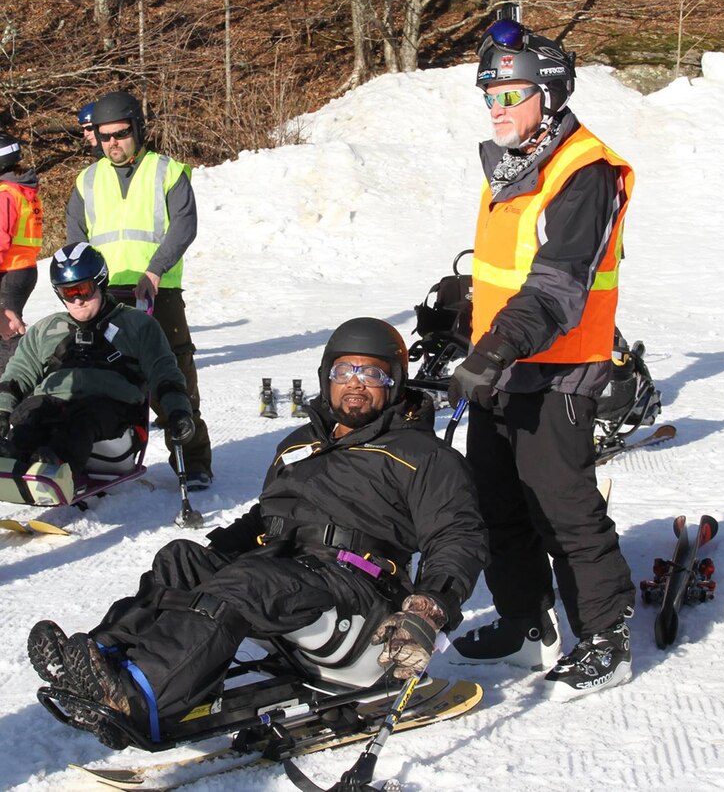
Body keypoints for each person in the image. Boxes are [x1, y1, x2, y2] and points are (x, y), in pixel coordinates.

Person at [27, 317, 488, 749]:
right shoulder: (299, 444)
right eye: (345, 370)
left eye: (373, 373)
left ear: (395, 381)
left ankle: (139, 695)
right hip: (290, 571)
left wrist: (429, 608)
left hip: (357, 591)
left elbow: (459, 536)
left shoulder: (422, 456)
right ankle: (99, 659)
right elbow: (265, 517)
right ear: (327, 375)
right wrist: (209, 560)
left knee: (243, 584)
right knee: (180, 559)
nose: (356, 383)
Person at [446, 19, 636, 701]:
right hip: (501, 365)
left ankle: (606, 638)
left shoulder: (583, 170)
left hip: (558, 367)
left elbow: (556, 283)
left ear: (548, 94)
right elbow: (501, 272)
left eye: (510, 92)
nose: (495, 105)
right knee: (494, 500)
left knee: (562, 507)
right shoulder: (510, 165)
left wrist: (495, 346)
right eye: (488, 92)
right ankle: (526, 620)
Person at [65, 89, 213, 490]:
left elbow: (184, 226)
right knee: (100, 377)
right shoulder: (86, 180)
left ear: (138, 129)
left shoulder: (167, 171)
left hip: (156, 291)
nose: (114, 142)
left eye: (122, 133)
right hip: (104, 295)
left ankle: (194, 459)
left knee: (174, 375)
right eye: (106, 135)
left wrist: (154, 270)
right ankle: (105, 456)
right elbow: (75, 238)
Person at [0, 243, 194, 475]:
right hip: (55, 406)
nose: (77, 300)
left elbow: (164, 371)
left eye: (83, 289)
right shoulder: (46, 329)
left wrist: (178, 411)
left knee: (83, 418)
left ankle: (55, 468)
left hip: (112, 413)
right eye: (67, 293)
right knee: (32, 412)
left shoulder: (138, 325)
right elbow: (18, 374)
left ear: (100, 283)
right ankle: (12, 458)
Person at [0, 132, 42, 374]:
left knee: (6, 330)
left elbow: (1, 239)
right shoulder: (24, 189)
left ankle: (11, 382)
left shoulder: (6, 194)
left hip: (10, 270)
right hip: (24, 268)